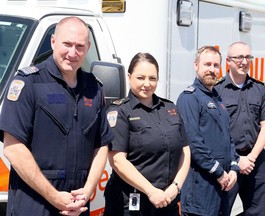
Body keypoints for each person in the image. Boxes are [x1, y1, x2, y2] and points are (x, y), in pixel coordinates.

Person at [0, 17, 114, 216]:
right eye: (67, 44)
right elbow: (13, 148)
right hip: (34, 204)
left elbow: (102, 144)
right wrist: (54, 197)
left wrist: (87, 191)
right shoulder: (29, 84)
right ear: (53, 41)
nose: (72, 53)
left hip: (78, 206)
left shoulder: (94, 88)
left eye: (79, 46)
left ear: (88, 47)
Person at [104, 52, 190, 216]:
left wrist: (176, 187)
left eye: (152, 78)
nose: (147, 84)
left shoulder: (170, 108)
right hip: (130, 203)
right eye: (140, 77)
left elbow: (185, 152)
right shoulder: (120, 111)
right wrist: (151, 191)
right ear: (129, 77)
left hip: (167, 200)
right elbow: (117, 159)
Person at [215, 41, 265, 215]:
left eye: (248, 57)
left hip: (255, 161)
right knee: (222, 210)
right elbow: (214, 131)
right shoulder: (217, 90)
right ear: (228, 61)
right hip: (227, 162)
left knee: (257, 212)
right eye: (239, 57)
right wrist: (236, 159)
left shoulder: (259, 88)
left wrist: (251, 158)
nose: (244, 61)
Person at [177, 46, 240, 216]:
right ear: (196, 65)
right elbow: (193, 143)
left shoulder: (217, 98)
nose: (212, 70)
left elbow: (228, 138)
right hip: (201, 190)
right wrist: (219, 172)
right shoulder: (189, 98)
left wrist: (234, 168)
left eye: (216, 65)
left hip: (222, 187)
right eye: (207, 64)